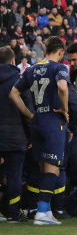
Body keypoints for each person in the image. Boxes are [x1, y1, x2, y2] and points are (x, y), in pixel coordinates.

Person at [9, 37, 70, 225]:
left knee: (44, 167)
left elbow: (13, 93)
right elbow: (62, 86)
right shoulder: (59, 68)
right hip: (53, 122)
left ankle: (46, 210)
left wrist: (29, 114)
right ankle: (42, 212)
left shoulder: (31, 70)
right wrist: (65, 109)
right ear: (60, 51)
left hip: (37, 122)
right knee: (53, 168)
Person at [0, 46, 29, 223]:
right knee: (14, 176)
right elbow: (27, 111)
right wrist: (31, 136)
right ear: (13, 61)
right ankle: (13, 211)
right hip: (15, 136)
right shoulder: (20, 81)